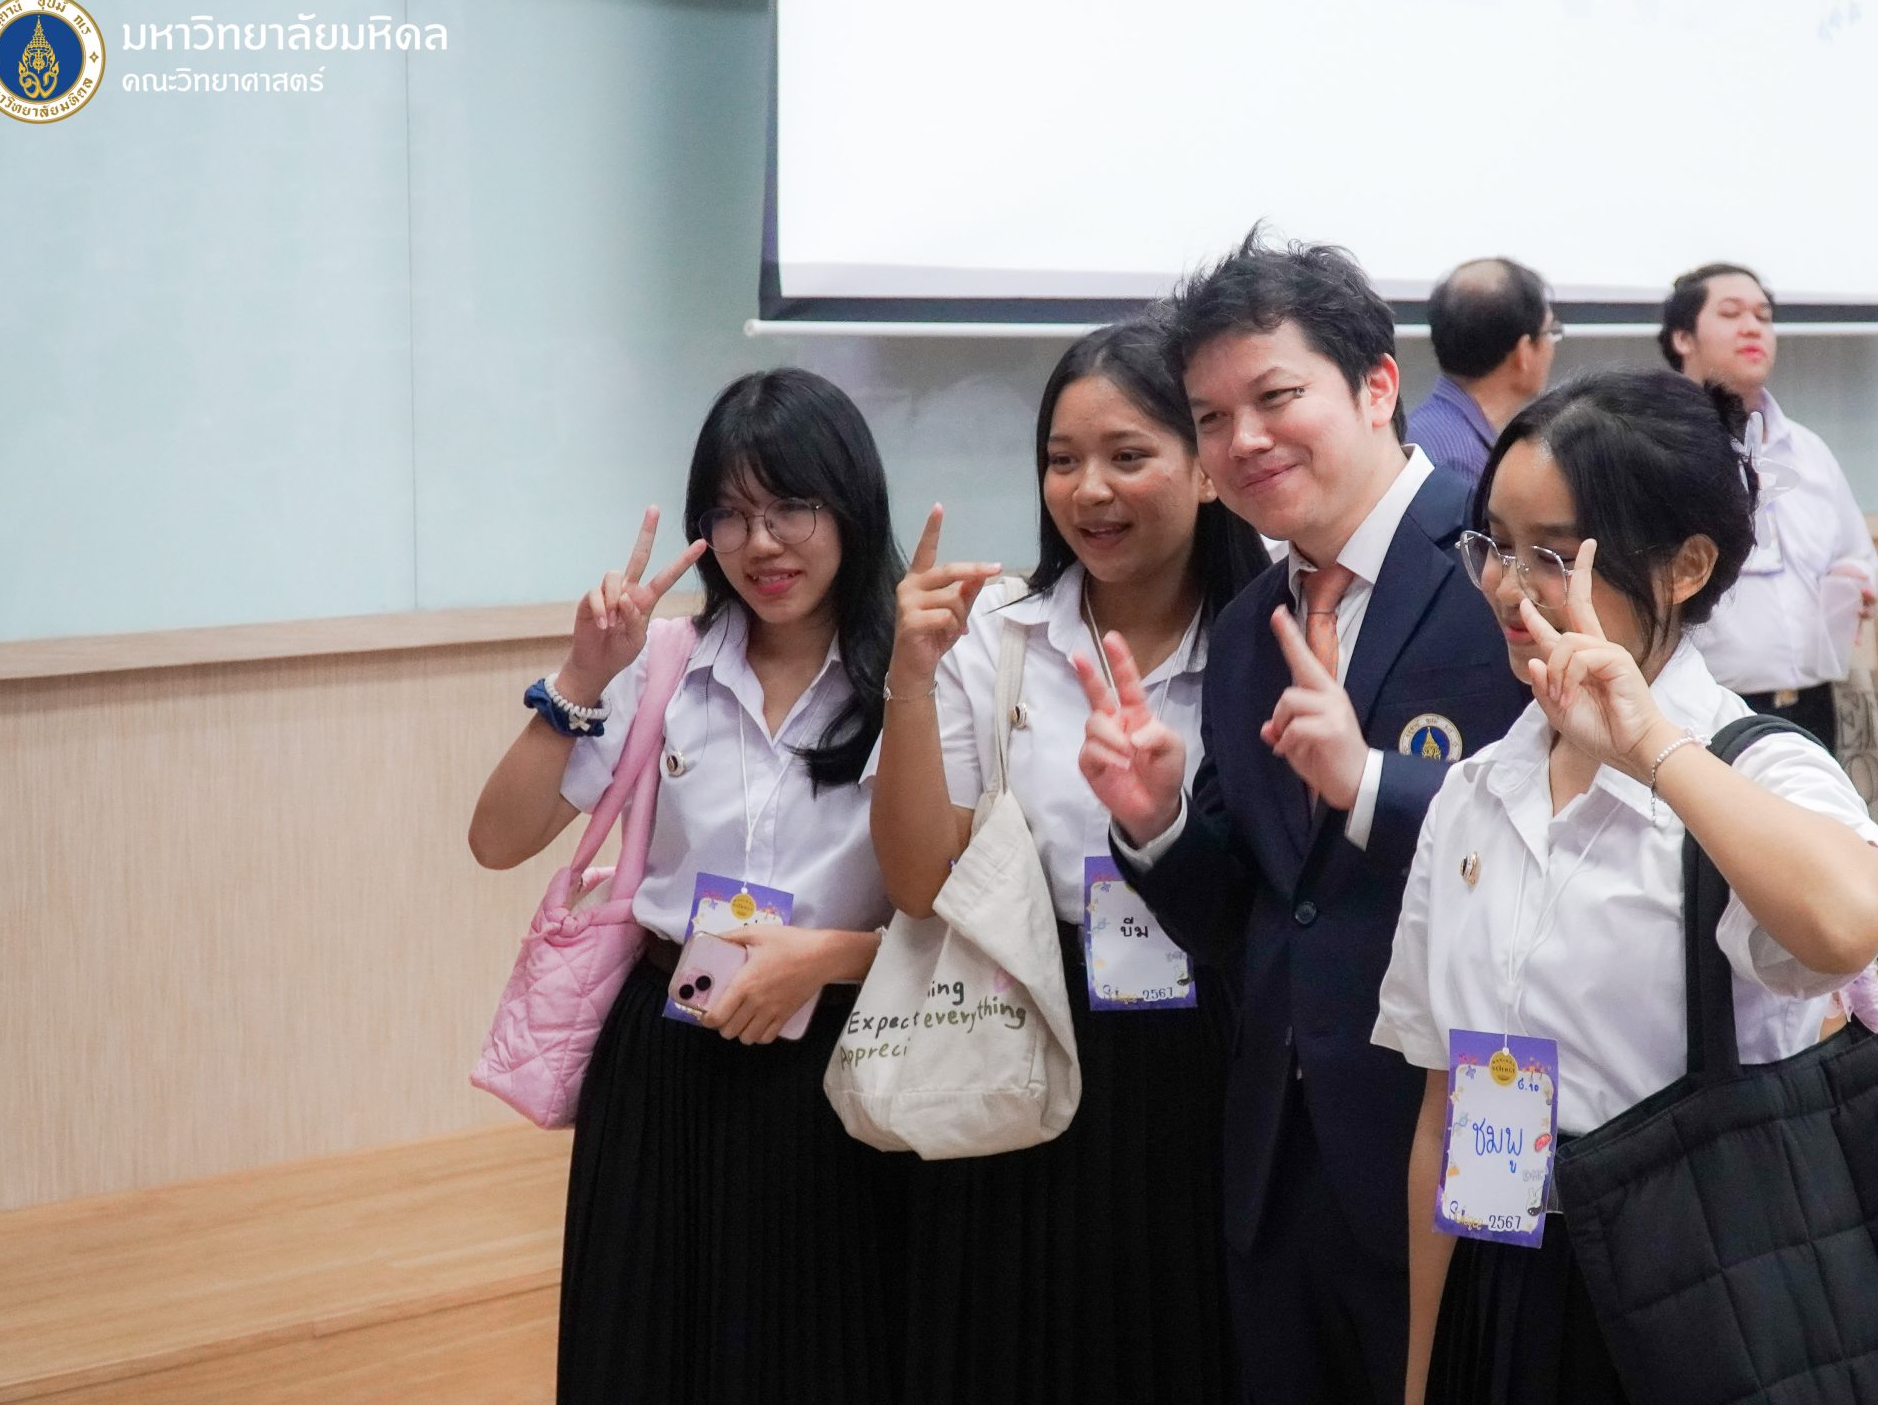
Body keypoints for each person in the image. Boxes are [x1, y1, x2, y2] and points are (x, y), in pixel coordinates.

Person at [1371, 369, 1878, 1404]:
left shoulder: (1753, 765)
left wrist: (1652, 745)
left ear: (1686, 566)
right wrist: (1426, 1372)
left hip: (1704, 1287)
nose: (1506, 588)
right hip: (1504, 1273)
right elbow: (1445, 1110)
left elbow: (1847, 926)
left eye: (1552, 556)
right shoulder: (1476, 791)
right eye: (1493, 545)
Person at [1073, 229, 1533, 1405]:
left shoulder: (1502, 567)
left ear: (1377, 385)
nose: (1243, 440)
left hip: (1469, 1127)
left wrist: (1370, 784)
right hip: (1279, 1156)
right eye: (1211, 418)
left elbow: (1567, 835)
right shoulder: (1248, 628)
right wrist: (1157, 823)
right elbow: (1244, 910)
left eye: (1275, 398)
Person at [466, 368, 906, 1402]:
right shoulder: (667, 663)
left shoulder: (914, 679)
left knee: (820, 1354)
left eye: (791, 506)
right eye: (732, 515)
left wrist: (828, 958)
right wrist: (581, 677)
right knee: (649, 1349)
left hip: (843, 1055)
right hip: (666, 1053)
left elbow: (960, 908)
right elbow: (496, 838)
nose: (763, 543)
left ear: (851, 505)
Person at [866, 319, 1267, 1401]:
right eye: (1061, 459)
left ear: (1208, 469)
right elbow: (916, 882)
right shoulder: (996, 636)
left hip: (1216, 1052)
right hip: (1021, 1027)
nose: (1089, 490)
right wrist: (910, 679)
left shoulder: (1269, 638)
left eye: (1128, 455)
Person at [1666, 262, 1878, 749]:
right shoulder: (1659, 450)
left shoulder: (1807, 450)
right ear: (1682, 338)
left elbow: (1856, 552)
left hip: (1813, 706)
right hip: (1702, 713)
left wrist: (1855, 581)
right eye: (1731, 314)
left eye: (1763, 317)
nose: (1752, 328)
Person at [1407, 258, 1561, 484]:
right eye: (1550, 331)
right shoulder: (1462, 468)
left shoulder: (1421, 430)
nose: (1552, 345)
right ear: (1524, 352)